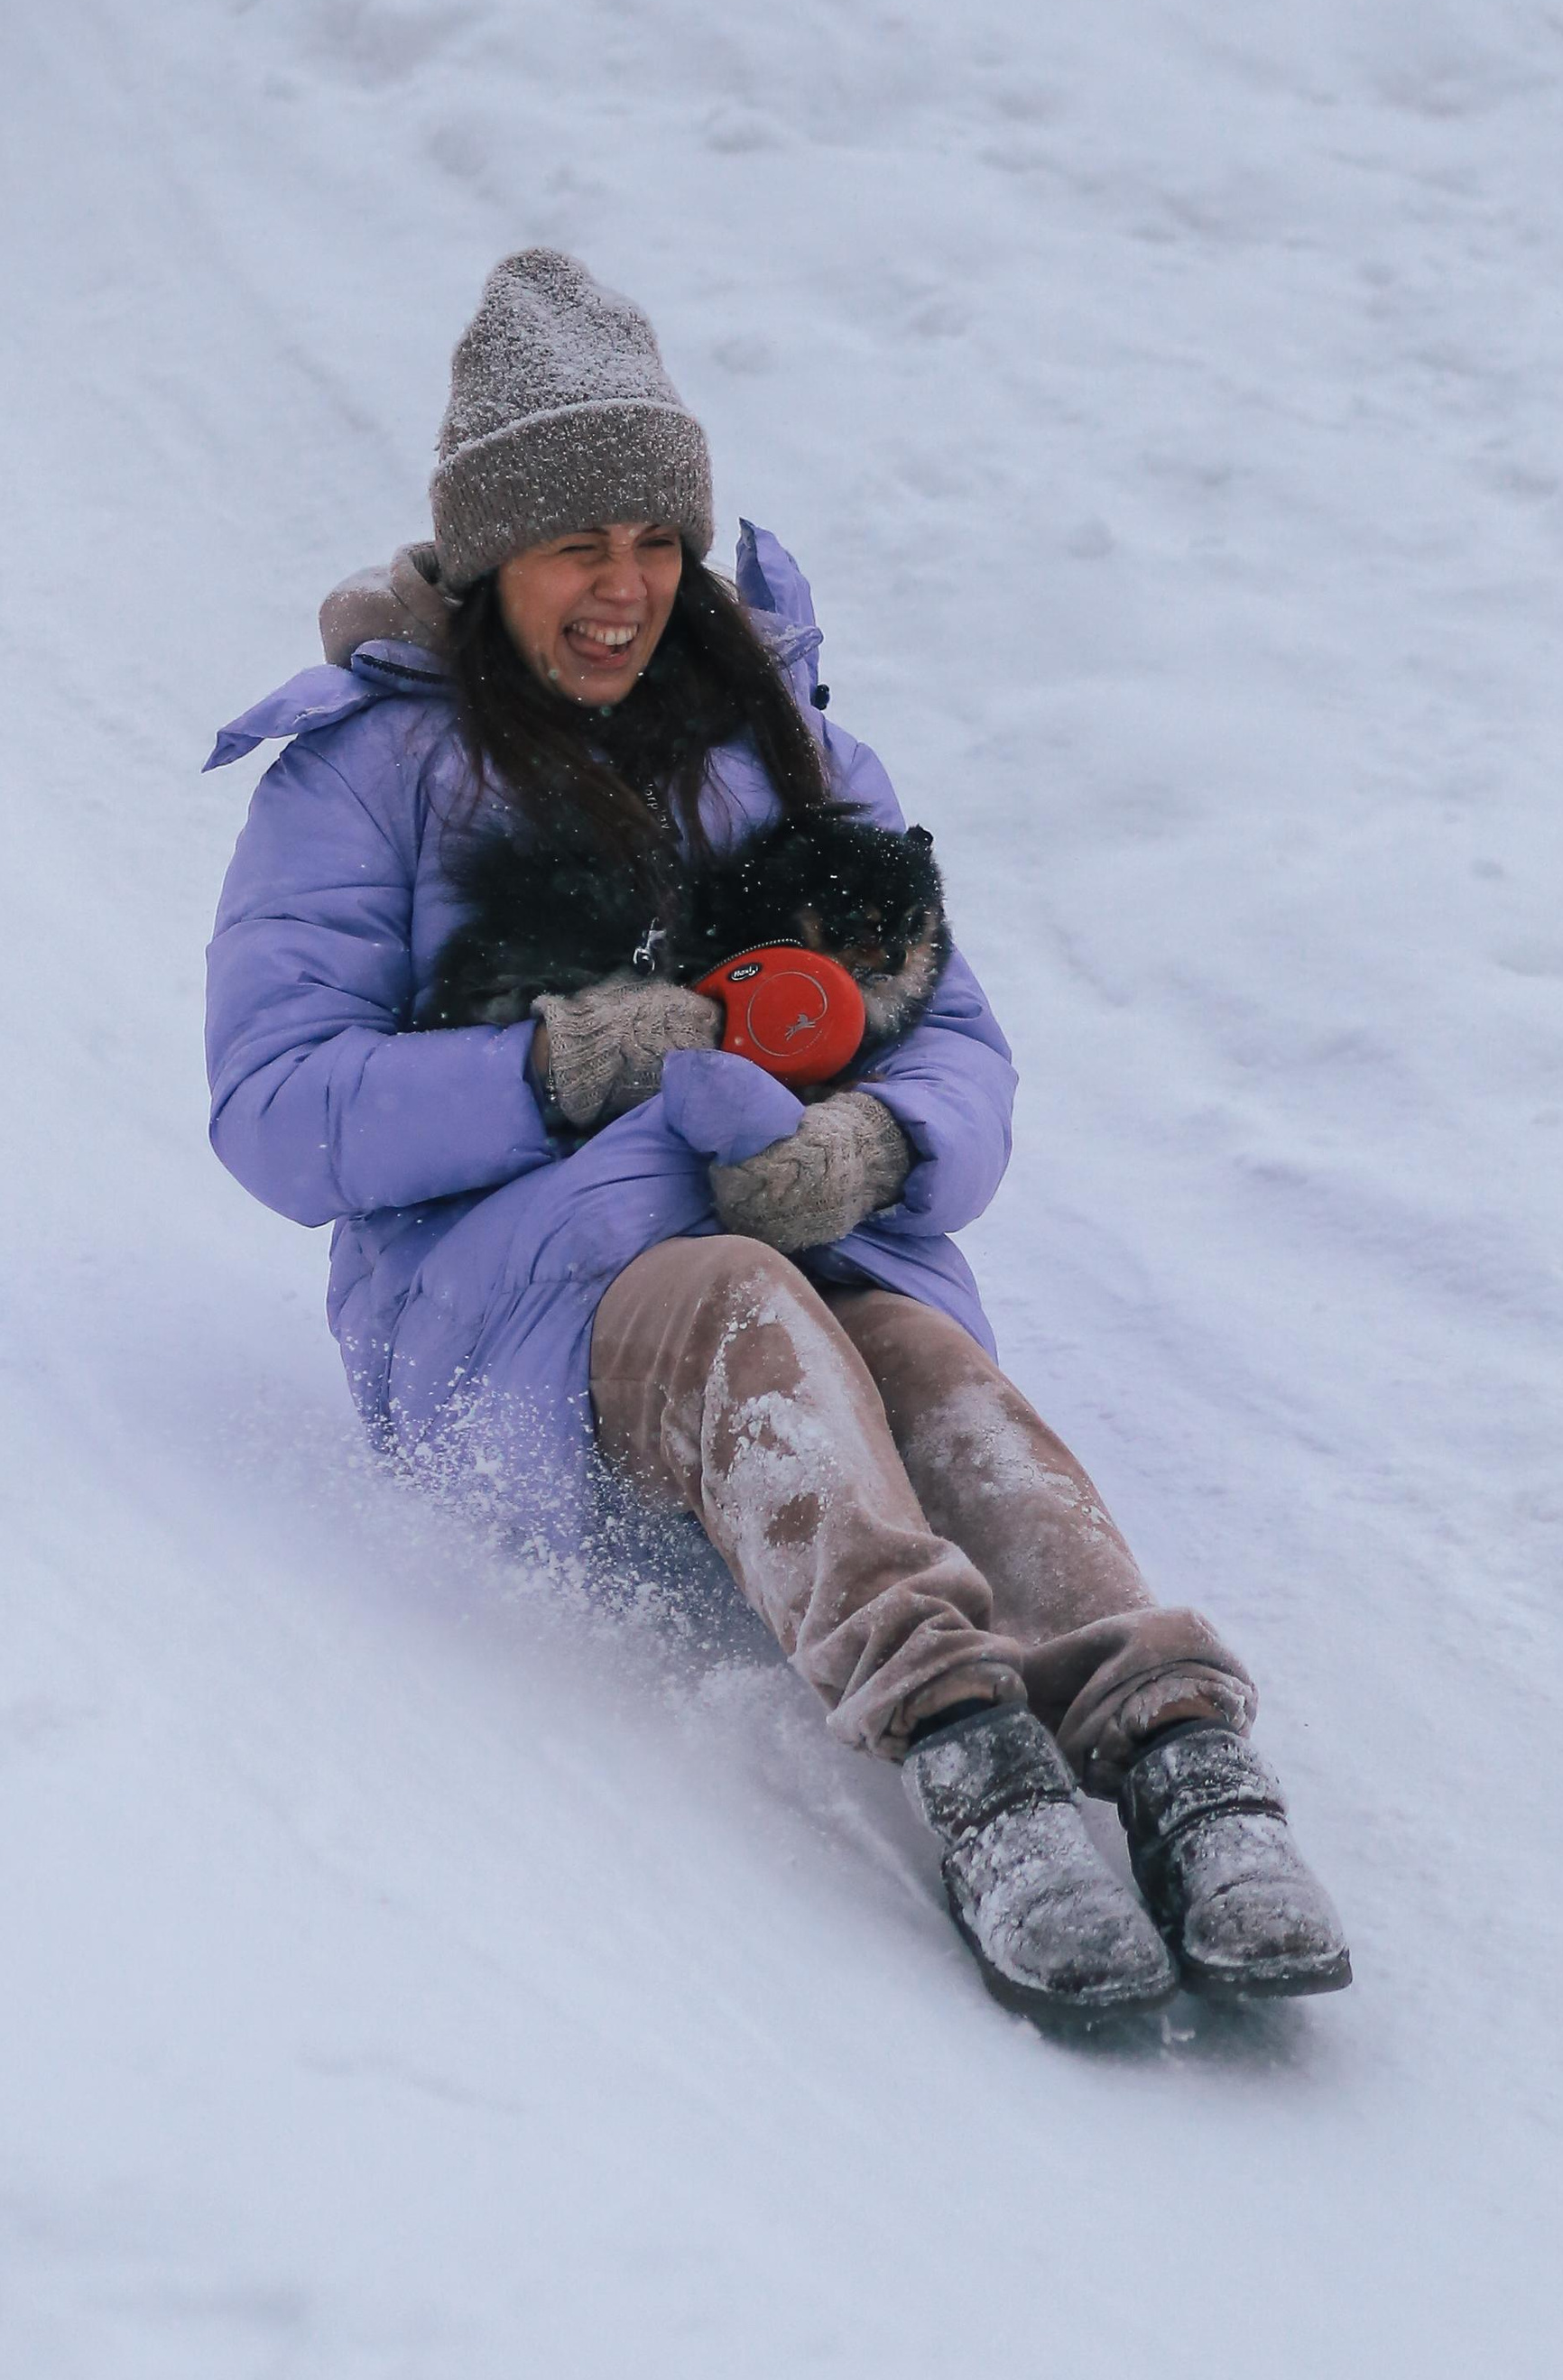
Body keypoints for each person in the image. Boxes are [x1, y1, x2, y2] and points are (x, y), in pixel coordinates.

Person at [206, 249, 1350, 2026]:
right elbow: (273, 1110)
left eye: (654, 541)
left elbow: (956, 1038)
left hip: (805, 1246)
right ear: (488, 555)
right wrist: (553, 1068)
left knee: (922, 1362)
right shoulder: (364, 776)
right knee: (738, 1304)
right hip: (508, 1315)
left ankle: (1175, 1745)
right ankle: (965, 1748)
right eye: (575, 544)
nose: (625, 589)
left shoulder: (784, 746)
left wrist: (873, 1152)